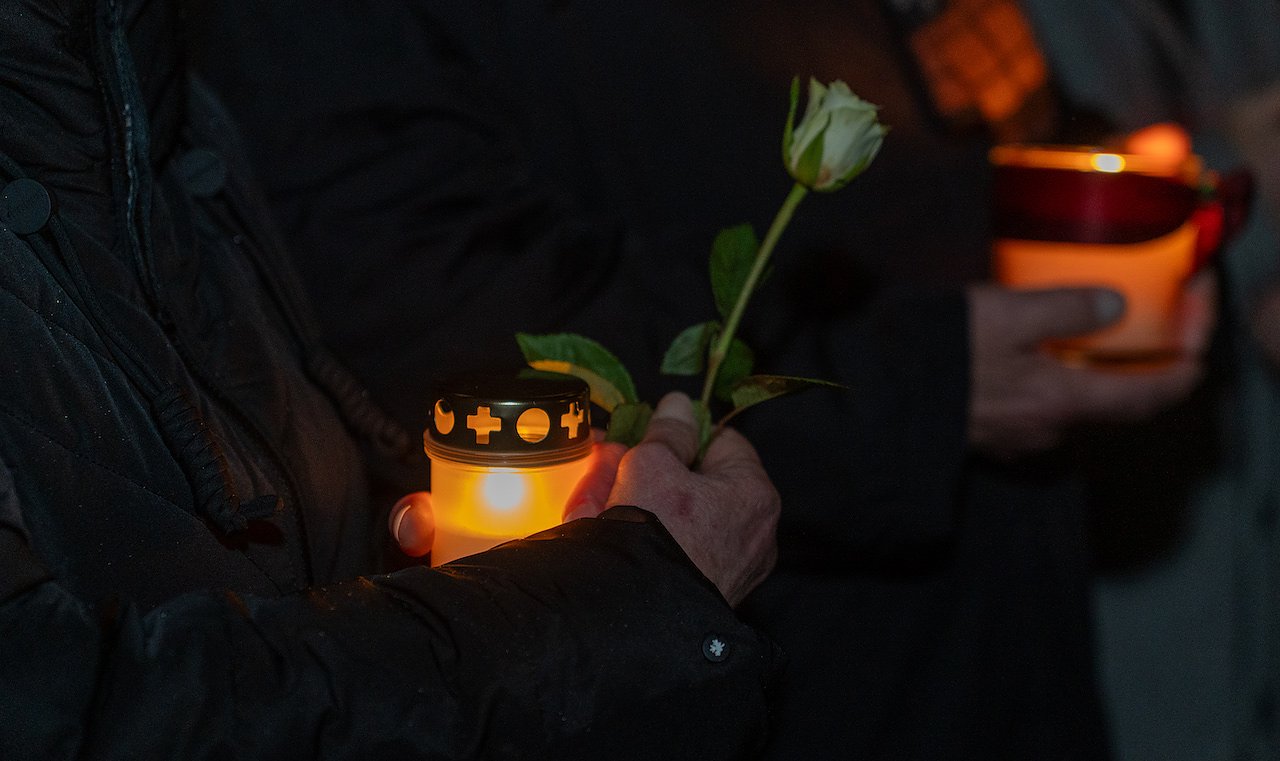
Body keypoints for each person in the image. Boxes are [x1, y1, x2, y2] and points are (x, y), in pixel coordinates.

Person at [187, 0, 1219, 757]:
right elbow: (409, 277)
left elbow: (966, 79)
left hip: (993, 610)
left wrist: (1105, 190)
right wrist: (913, 381)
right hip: (737, 651)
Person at [0, 1, 783, 758]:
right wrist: (609, 603)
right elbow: (69, 710)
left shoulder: (147, 90)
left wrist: (429, 545)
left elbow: (257, 570)